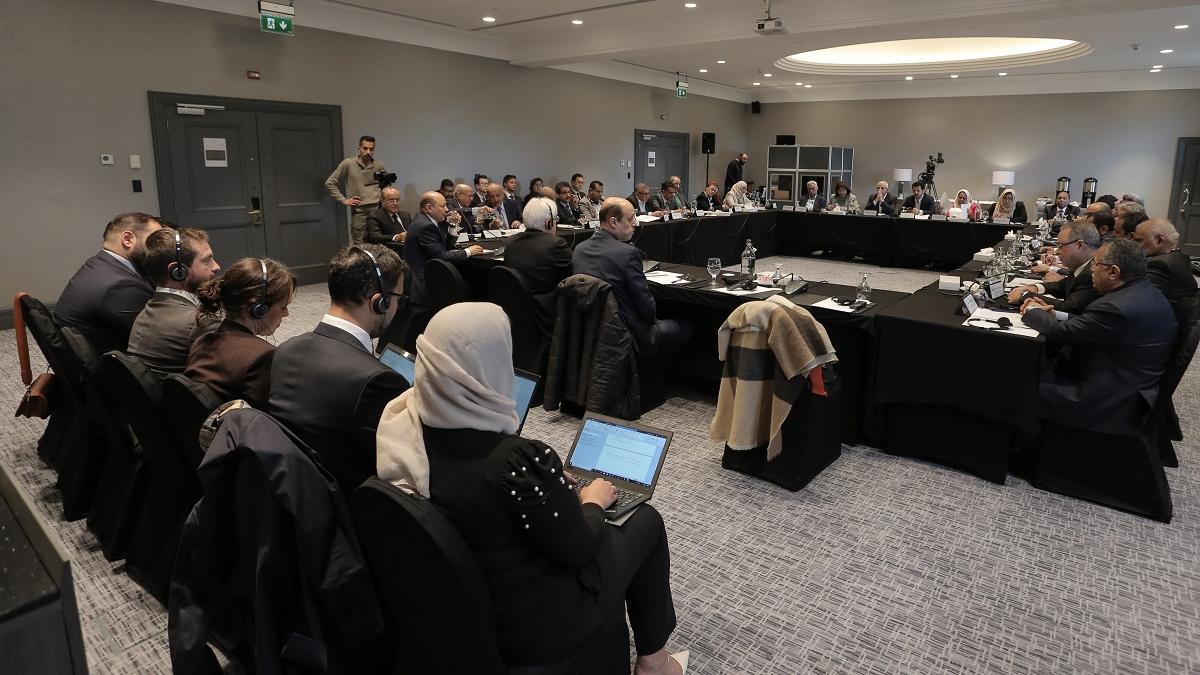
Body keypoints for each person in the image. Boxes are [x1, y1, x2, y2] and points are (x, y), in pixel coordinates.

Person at [375, 303, 682, 674]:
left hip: (467, 610)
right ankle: (654, 662)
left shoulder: (404, 425)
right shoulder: (516, 462)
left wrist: (547, 485)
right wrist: (592, 502)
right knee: (646, 521)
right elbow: (580, 548)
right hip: (534, 627)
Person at [269, 244, 411, 493]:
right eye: (399, 298)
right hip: (350, 502)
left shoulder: (286, 349)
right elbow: (399, 466)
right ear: (379, 302)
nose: (398, 306)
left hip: (294, 490)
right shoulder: (378, 380)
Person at [1021, 238, 1177, 435]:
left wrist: (1032, 310)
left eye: (1095, 264)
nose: (1091, 269)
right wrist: (1055, 314)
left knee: (1019, 382)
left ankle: (1026, 446)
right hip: (1126, 382)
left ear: (1113, 272)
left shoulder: (1116, 307)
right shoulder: (1141, 290)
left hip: (1108, 400)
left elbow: (1061, 333)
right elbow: (1092, 325)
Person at [572, 198, 694, 360]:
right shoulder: (627, 253)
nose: (635, 223)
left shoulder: (579, 249)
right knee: (687, 325)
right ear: (613, 222)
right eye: (631, 219)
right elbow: (647, 308)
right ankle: (652, 370)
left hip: (591, 330)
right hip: (627, 332)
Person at [186, 257, 296, 408]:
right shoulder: (263, 356)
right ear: (259, 308)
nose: (286, 314)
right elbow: (276, 413)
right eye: (283, 307)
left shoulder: (202, 342)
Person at [55, 212, 162, 354]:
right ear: (128, 239)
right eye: (155, 241)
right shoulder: (120, 285)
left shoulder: (100, 263)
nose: (159, 248)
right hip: (111, 363)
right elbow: (156, 339)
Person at [127, 227, 222, 375]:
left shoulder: (144, 314)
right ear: (178, 271)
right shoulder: (200, 322)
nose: (216, 267)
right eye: (206, 260)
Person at [505, 197, 574, 338]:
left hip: (517, 310)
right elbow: (571, 275)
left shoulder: (511, 242)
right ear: (549, 223)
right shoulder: (555, 244)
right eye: (556, 219)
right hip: (547, 312)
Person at [404, 192, 484, 307]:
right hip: (424, 281)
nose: (446, 210)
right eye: (442, 206)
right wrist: (468, 251)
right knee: (473, 284)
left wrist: (452, 227)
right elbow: (441, 256)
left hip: (427, 274)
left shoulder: (424, 221)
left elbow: (443, 248)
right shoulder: (426, 226)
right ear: (429, 208)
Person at [1007, 220, 1102, 314]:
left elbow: (1069, 308)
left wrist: (1024, 296)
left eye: (1061, 246)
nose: (1056, 252)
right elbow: (1063, 286)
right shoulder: (1084, 264)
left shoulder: (1094, 272)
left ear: (1079, 245)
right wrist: (1035, 288)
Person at [1133, 218, 1199, 323]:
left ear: (1159, 240)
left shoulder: (1159, 265)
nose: (1134, 245)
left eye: (1138, 241)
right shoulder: (1180, 258)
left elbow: (1136, 300)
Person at [325, 135, 386, 244]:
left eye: (371, 149)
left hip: (378, 210)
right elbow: (330, 183)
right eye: (365, 148)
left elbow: (386, 185)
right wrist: (343, 200)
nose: (368, 152)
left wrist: (384, 200)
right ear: (359, 148)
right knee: (359, 245)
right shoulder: (348, 163)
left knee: (379, 242)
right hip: (360, 212)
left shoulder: (378, 165)